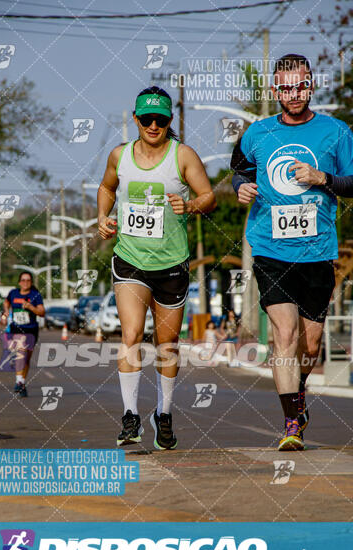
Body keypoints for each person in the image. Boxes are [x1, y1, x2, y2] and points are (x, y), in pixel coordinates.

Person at [231, 54, 353, 450]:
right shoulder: (258, 133)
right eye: (285, 88)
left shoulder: (336, 132)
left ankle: (298, 397)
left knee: (310, 345)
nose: (294, 94)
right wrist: (239, 188)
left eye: (300, 86)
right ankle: (290, 424)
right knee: (284, 334)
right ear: (275, 91)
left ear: (311, 86)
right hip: (270, 249)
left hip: (318, 251)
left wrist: (324, 178)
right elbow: (240, 170)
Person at [98, 86, 216, 450]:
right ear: (135, 119)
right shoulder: (120, 155)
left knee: (167, 344)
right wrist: (102, 216)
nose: (153, 125)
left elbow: (208, 197)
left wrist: (191, 206)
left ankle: (163, 415)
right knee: (131, 334)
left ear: (169, 122)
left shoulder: (183, 156)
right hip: (131, 259)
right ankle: (130, 416)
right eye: (146, 119)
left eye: (160, 120)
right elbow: (107, 186)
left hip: (171, 263)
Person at [2, 271, 45, 397]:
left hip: (31, 330)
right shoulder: (13, 293)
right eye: (23, 280)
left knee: (26, 359)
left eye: (28, 280)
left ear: (31, 283)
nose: (26, 282)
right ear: (19, 282)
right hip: (17, 328)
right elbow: (6, 302)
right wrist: (6, 312)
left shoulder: (35, 295)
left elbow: (42, 312)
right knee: (21, 351)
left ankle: (22, 383)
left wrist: (31, 307)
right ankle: (18, 381)